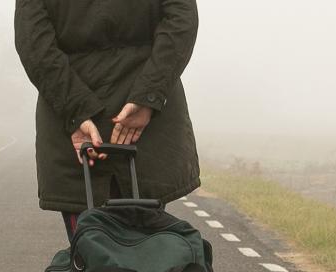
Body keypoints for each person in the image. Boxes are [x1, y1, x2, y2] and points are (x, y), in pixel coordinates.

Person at [14, 0, 199, 236]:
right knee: (146, 246)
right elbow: (181, 19)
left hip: (75, 121)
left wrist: (75, 110)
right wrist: (148, 97)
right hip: (144, 123)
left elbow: (33, 42)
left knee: (89, 245)